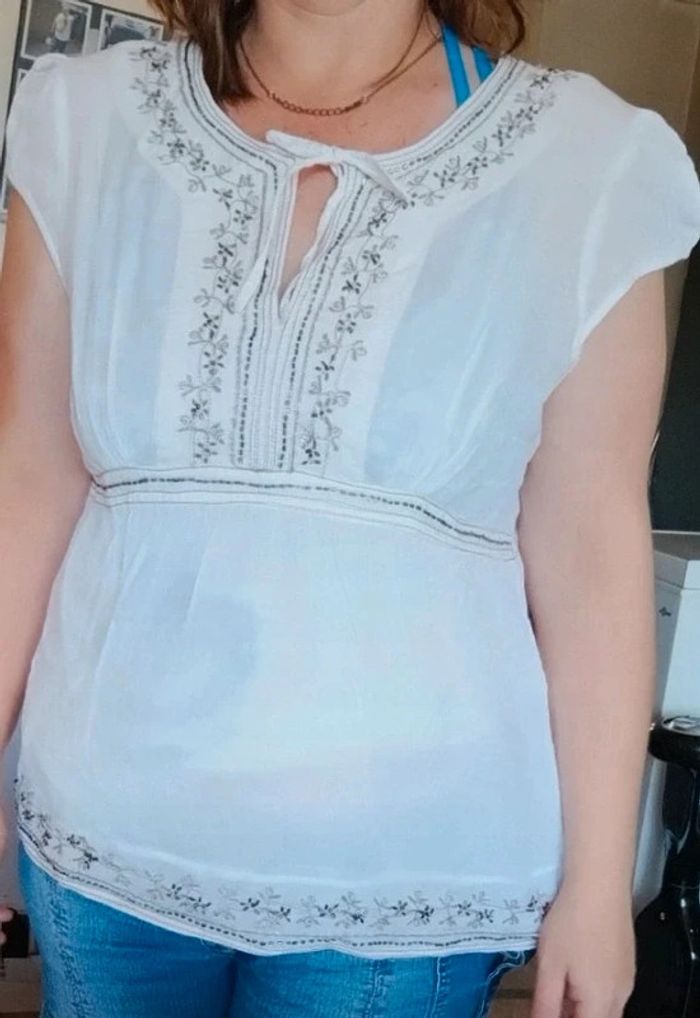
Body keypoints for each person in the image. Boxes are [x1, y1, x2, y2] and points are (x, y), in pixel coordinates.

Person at [1, 1, 700, 1015]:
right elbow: (28, 479)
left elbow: (589, 547)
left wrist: (598, 886)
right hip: (102, 847)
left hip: (401, 881)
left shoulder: (587, 163)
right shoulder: (83, 121)